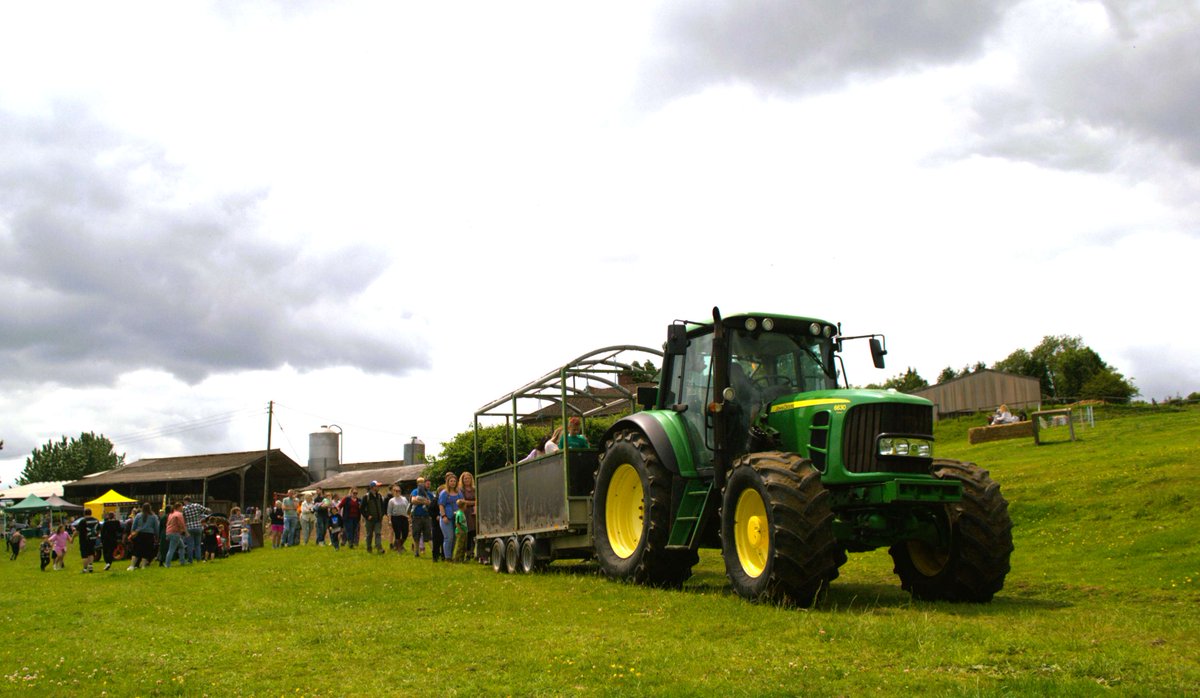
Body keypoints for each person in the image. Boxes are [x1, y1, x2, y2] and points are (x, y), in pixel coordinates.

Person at [438, 473, 464, 562]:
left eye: (454, 481)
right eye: (451, 481)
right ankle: (447, 557)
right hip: (446, 518)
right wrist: (443, 516)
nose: (453, 483)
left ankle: (451, 556)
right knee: (449, 537)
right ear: (447, 482)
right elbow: (441, 505)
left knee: (454, 538)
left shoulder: (459, 493)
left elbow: (462, 503)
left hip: (456, 518)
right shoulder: (444, 493)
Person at [127, 503, 159, 570]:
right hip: (149, 535)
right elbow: (156, 527)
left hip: (139, 535)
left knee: (136, 550)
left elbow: (133, 526)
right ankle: (143, 566)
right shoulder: (154, 516)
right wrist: (157, 536)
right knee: (146, 551)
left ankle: (132, 566)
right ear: (150, 508)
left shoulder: (138, 515)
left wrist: (132, 533)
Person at [409, 478, 433, 558]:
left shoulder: (429, 493)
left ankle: (434, 551)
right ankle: (416, 552)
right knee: (416, 535)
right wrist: (425, 502)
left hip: (426, 516)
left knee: (428, 535)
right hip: (416, 516)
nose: (428, 485)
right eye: (426, 483)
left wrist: (427, 503)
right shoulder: (415, 491)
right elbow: (413, 500)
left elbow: (432, 503)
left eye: (429, 484)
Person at [182, 497, 211, 562]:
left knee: (190, 545)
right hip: (198, 527)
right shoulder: (197, 505)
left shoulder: (184, 508)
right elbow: (207, 510)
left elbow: (182, 517)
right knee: (198, 545)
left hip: (189, 528)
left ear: (185, 501)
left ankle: (190, 559)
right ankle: (198, 559)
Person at [361, 481, 386, 554]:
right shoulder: (366, 497)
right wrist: (367, 516)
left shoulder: (379, 496)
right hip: (369, 520)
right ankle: (369, 548)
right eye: (377, 486)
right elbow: (362, 509)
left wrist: (382, 515)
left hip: (378, 519)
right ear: (372, 487)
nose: (378, 487)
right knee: (369, 534)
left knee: (378, 533)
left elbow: (382, 507)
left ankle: (379, 548)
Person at [458, 471, 477, 562]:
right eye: (465, 478)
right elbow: (462, 502)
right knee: (468, 533)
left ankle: (474, 552)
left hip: (475, 513)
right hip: (466, 513)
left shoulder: (474, 489)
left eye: (468, 478)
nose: (467, 480)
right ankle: (468, 553)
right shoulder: (461, 490)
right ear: (462, 480)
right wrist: (473, 503)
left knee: (475, 532)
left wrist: (469, 502)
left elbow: (479, 499)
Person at [74, 509, 100, 573]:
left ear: (84, 514)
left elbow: (77, 531)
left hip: (84, 540)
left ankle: (85, 569)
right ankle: (90, 567)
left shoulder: (83, 521)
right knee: (91, 553)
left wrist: (72, 538)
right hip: (92, 539)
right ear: (91, 513)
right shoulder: (96, 520)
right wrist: (96, 536)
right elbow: (98, 530)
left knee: (84, 555)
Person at [164, 502, 188, 568]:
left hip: (169, 532)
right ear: (179, 507)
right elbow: (182, 524)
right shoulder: (179, 514)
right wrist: (186, 532)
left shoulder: (171, 514)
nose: (182, 508)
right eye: (182, 506)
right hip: (175, 533)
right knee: (171, 549)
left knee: (182, 546)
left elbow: (168, 524)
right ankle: (167, 564)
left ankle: (182, 561)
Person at [387, 484, 410, 554]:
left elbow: (408, 508)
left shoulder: (404, 499)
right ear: (393, 492)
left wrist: (409, 516)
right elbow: (389, 512)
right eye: (396, 491)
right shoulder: (391, 500)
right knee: (397, 533)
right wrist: (389, 520)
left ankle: (396, 545)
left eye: (399, 491)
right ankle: (399, 549)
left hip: (404, 517)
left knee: (405, 533)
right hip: (396, 518)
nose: (397, 492)